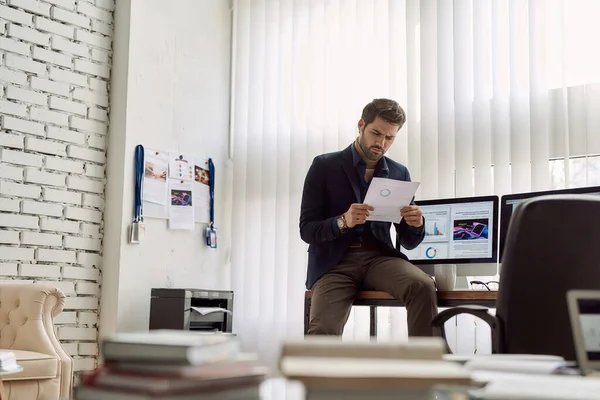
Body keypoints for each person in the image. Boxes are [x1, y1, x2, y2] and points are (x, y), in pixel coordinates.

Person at [299, 98, 438, 337]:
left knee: (423, 285)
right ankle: (320, 374)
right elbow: (307, 229)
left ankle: (422, 367)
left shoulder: (398, 172)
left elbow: (408, 241)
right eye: (376, 133)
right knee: (323, 331)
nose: (381, 143)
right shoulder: (324, 166)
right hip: (335, 264)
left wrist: (417, 223)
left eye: (389, 138)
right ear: (361, 125)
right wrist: (343, 221)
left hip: (379, 259)